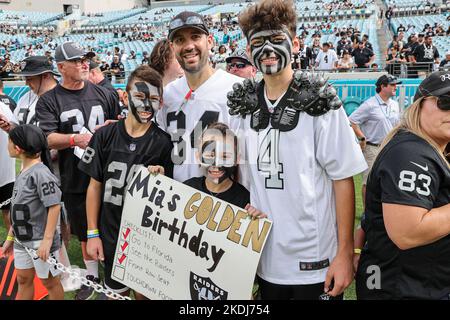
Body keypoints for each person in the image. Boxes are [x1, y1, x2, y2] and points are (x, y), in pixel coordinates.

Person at [228, 0, 367, 300]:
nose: (267, 50)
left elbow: (342, 179)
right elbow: (241, 174)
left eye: (277, 41)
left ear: (295, 42)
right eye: (257, 43)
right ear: (248, 48)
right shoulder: (243, 105)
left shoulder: (319, 100)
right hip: (264, 255)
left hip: (314, 258)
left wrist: (344, 253)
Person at [36, 41, 121, 300]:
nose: (84, 63)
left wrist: (114, 126)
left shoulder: (105, 94)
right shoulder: (50, 100)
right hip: (76, 176)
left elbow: (119, 126)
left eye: (85, 59)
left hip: (108, 176)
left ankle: (113, 278)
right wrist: (75, 140)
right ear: (61, 67)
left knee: (113, 228)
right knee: (85, 232)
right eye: (76, 60)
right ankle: (93, 278)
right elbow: (47, 138)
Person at [79, 66, 173, 299]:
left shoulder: (163, 143)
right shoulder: (104, 135)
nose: (146, 104)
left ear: (160, 102)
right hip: (111, 232)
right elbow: (94, 186)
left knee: (144, 295)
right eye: (140, 96)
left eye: (153, 98)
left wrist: (161, 179)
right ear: (125, 96)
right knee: (115, 294)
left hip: (146, 238)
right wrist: (92, 233)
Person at [355, 71, 450, 300]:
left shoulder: (427, 147)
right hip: (401, 286)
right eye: (445, 102)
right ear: (419, 105)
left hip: (414, 281)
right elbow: (408, 232)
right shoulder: (411, 153)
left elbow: (370, 219)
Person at [156, 11, 242, 183]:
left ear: (209, 41)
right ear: (172, 47)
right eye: (180, 40)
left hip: (220, 199)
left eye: (195, 37)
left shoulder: (236, 89)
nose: (189, 46)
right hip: (176, 197)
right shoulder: (168, 94)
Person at [1, 124, 64, 300]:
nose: (7, 145)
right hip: (22, 241)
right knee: (22, 278)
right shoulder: (23, 170)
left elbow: (54, 206)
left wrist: (46, 241)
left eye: (9, 141)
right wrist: (10, 238)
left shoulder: (41, 174)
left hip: (40, 242)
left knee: (50, 283)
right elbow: (19, 208)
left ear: (18, 148)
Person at [349, 75, 402, 205]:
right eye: (392, 84)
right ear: (382, 87)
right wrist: (361, 137)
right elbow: (351, 120)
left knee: (388, 180)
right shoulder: (370, 104)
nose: (396, 87)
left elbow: (398, 125)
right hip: (373, 148)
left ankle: (380, 210)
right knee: (369, 182)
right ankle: (367, 212)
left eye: (396, 84)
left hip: (389, 147)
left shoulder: (395, 104)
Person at [8, 56, 59, 126]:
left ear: (45, 75)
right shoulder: (25, 97)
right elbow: (15, 126)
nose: (26, 83)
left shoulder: (63, 98)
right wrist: (9, 128)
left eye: (29, 79)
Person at [0, 102, 16, 233]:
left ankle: (14, 246)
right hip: (6, 170)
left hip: (5, 171)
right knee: (7, 210)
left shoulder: (3, 107)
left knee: (8, 210)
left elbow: (14, 131)